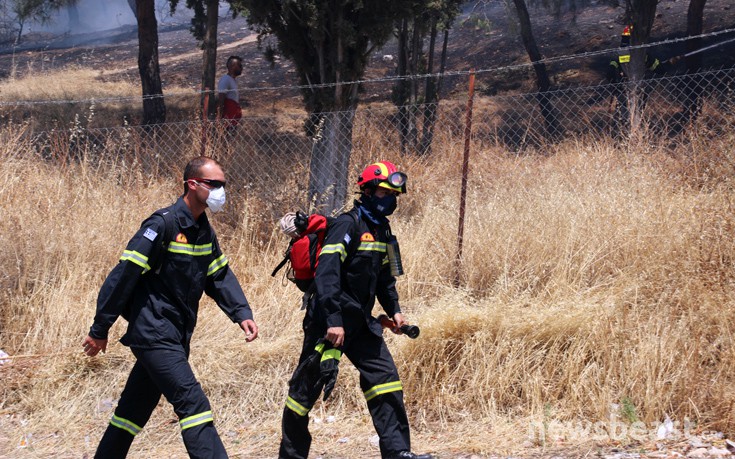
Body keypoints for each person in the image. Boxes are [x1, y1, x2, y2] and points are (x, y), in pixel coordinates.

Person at [82, 156, 259, 459]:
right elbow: (122, 277)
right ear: (192, 184)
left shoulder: (203, 230)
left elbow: (218, 275)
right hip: (153, 332)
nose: (221, 191)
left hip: (176, 334)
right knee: (193, 405)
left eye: (223, 185)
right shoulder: (161, 224)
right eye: (214, 184)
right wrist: (100, 329)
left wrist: (241, 313)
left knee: (131, 412)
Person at [278, 160, 432, 459]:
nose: (391, 200)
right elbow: (327, 274)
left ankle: (398, 453)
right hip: (328, 323)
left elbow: (386, 278)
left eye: (394, 195)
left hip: (362, 324)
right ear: (369, 190)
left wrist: (395, 310)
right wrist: (333, 321)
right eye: (386, 192)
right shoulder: (346, 225)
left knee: (386, 383)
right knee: (302, 395)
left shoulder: (382, 230)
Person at [217, 55, 244, 126]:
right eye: (240, 65)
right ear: (233, 66)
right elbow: (221, 99)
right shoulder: (226, 79)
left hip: (233, 119)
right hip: (227, 120)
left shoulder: (232, 80)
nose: (242, 68)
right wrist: (219, 119)